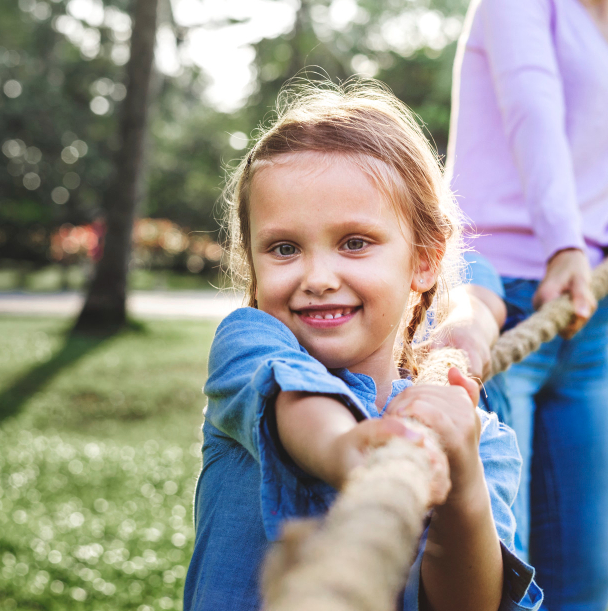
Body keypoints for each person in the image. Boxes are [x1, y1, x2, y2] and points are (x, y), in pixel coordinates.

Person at [184, 82, 542, 611]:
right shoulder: (246, 343)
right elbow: (294, 401)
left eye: (354, 242)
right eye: (284, 248)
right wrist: (342, 450)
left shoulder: (478, 437)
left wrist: (462, 477)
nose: (319, 276)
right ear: (252, 261)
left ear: (423, 260)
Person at [446, 0, 608, 607]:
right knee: (500, 576)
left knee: (586, 580)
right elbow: (533, 119)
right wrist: (567, 245)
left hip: (586, 323)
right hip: (498, 301)